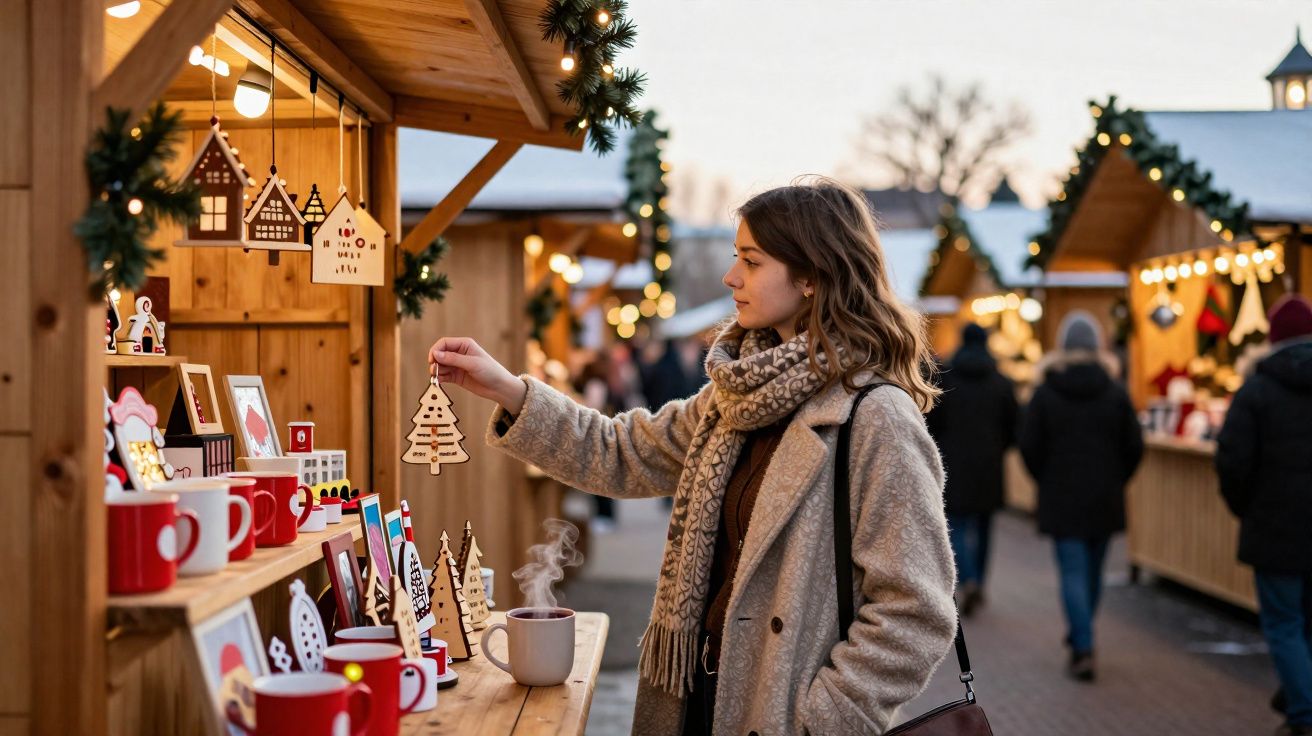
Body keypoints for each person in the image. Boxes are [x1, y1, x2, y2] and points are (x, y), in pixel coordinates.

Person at [429, 177, 956, 735]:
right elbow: (622, 451)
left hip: (777, 716)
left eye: (751, 261)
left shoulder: (875, 417)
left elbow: (914, 611)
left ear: (811, 276)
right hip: (697, 696)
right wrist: (510, 390)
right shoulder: (735, 397)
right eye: (736, 257)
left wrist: (823, 720)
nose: (732, 277)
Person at [1019, 311, 1142, 683]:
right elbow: (1134, 446)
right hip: (1104, 495)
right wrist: (1117, 478)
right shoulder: (1116, 392)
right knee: (1093, 572)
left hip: (1061, 496)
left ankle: (1082, 643)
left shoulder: (1045, 393)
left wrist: (1045, 479)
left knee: (1073, 571)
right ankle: (1082, 634)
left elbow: (1029, 446)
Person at [1216, 294, 1312, 736]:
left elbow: (1233, 462)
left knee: (1284, 623)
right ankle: (1297, 695)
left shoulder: (1256, 391)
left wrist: (1246, 509)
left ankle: (1303, 713)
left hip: (1274, 529)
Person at [926, 323, 1017, 617]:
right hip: (989, 466)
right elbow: (1014, 427)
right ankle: (979, 580)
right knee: (985, 528)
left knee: (956, 526)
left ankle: (967, 579)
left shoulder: (945, 379)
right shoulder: (1002, 382)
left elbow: (932, 424)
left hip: (952, 464)